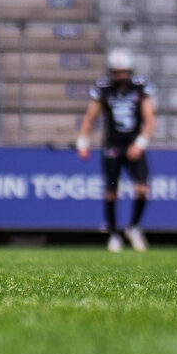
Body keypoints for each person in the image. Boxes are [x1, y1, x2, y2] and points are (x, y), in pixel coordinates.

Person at [75, 45, 155, 251]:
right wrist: (83, 141)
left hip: (134, 143)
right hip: (112, 144)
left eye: (125, 72)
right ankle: (113, 234)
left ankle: (134, 227)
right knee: (111, 191)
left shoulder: (140, 88)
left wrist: (140, 143)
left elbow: (149, 119)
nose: (121, 76)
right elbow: (90, 117)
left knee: (142, 189)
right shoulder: (104, 89)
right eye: (118, 72)